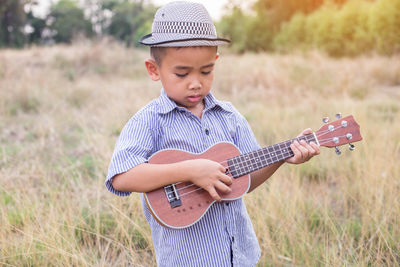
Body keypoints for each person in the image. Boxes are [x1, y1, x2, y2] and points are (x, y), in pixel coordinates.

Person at [105, 1, 320, 266]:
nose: (196, 82)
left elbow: (246, 180)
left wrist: (282, 156)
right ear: (154, 70)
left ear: (215, 62)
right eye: (182, 74)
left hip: (238, 256)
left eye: (206, 71)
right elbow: (121, 177)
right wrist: (189, 171)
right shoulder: (150, 121)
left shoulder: (229, 117)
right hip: (186, 259)